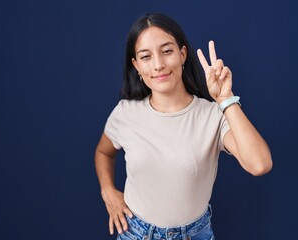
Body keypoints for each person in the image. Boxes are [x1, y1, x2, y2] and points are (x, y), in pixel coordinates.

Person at [95, 13, 272, 240]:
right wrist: (108, 191)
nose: (158, 64)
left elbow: (260, 164)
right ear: (136, 65)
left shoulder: (212, 115)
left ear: (182, 54)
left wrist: (225, 98)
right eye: (146, 56)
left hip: (194, 235)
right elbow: (103, 152)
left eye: (167, 51)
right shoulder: (125, 113)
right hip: (135, 233)